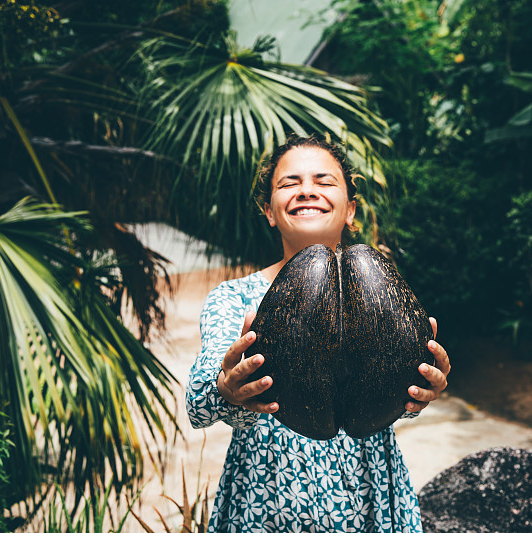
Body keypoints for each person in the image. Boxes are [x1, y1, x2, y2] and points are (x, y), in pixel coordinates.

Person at [186, 135, 451, 532]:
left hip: (369, 500)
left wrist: (420, 393)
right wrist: (226, 387)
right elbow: (198, 404)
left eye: (324, 181)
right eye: (289, 183)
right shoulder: (235, 298)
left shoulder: (380, 288)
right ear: (269, 211)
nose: (307, 190)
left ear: (350, 209)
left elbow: (392, 396)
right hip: (269, 503)